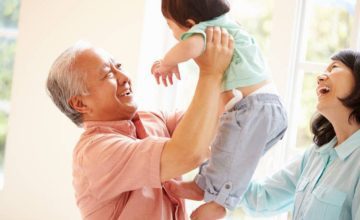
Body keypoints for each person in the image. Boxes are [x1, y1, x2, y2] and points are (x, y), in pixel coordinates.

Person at [46, 27, 234, 220]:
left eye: (119, 66)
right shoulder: (95, 152)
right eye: (108, 75)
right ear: (80, 103)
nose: (124, 77)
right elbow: (188, 154)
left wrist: (228, 57)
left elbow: (215, 125)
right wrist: (211, 72)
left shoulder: (153, 118)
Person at [168, 49, 360, 220]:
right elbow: (262, 197)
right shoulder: (316, 155)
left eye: (334, 67)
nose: (320, 77)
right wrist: (221, 158)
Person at [151, 0, 288, 218]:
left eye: (171, 27)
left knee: (230, 157)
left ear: (189, 23)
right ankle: (203, 185)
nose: (173, 35)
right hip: (263, 109)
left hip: (253, 108)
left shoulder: (206, 31)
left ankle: (219, 205)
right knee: (225, 151)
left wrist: (166, 62)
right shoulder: (228, 24)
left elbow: (190, 46)